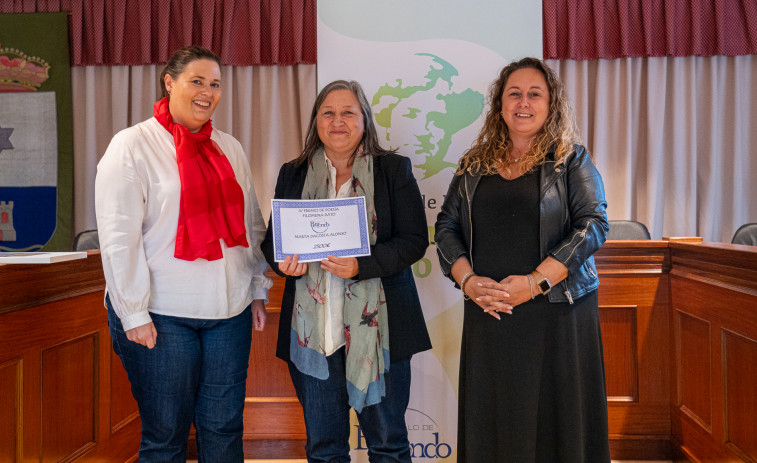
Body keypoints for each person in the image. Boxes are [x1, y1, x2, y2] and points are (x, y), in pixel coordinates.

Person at [95, 46, 271, 462]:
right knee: (166, 435)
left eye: (215, 84)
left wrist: (258, 286)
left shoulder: (230, 147)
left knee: (224, 429)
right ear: (169, 82)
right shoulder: (132, 145)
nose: (207, 92)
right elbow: (119, 239)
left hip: (229, 313)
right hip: (161, 314)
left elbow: (251, 224)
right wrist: (132, 313)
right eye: (197, 81)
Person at [434, 57, 611, 462]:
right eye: (514, 94)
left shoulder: (571, 160)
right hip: (490, 310)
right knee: (495, 421)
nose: (523, 102)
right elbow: (446, 228)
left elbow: (593, 225)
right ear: (500, 105)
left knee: (557, 426)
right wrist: (467, 281)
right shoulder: (473, 164)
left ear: (551, 104)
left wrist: (534, 282)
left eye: (535, 94)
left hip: (557, 312)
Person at [261, 80, 431, 463]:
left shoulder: (393, 170)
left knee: (388, 445)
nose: (338, 121)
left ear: (364, 121)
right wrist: (284, 263)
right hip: (314, 336)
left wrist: (361, 265)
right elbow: (274, 242)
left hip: (380, 333)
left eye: (348, 113)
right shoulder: (294, 172)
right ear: (316, 121)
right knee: (324, 449)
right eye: (328, 113)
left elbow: (413, 240)